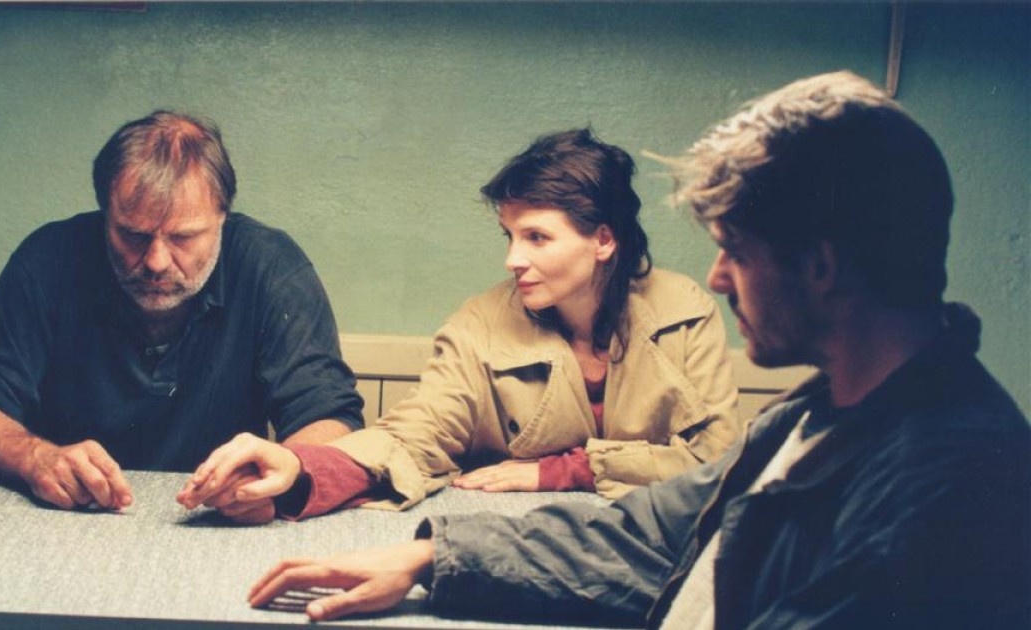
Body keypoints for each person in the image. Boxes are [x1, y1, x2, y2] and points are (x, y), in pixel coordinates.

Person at [246, 71, 1031, 628]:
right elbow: (644, 536)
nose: (717, 278)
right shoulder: (813, 420)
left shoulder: (951, 490)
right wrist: (427, 556)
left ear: (821, 266)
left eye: (735, 250)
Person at [176, 129, 739, 521]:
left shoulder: (684, 312)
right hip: (517, 546)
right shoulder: (481, 324)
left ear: (604, 239)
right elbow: (415, 435)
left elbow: (716, 463)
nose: (513, 259)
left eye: (537, 237)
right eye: (510, 236)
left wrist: (559, 472)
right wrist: (298, 470)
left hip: (659, 546)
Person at [0, 111, 364, 520]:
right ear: (105, 215)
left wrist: (284, 472)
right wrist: (35, 457)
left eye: (183, 237)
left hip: (215, 524)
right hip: (64, 519)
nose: (157, 261)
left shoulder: (272, 268)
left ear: (222, 217)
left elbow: (332, 418)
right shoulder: (48, 259)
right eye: (134, 235)